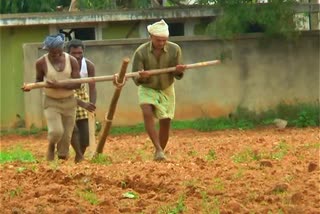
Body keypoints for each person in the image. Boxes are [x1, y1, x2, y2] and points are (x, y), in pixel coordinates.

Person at [131, 19, 186, 161]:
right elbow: (136, 78)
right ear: (150, 37)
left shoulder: (175, 49)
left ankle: (159, 153)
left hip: (167, 87)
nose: (161, 43)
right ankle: (158, 148)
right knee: (147, 112)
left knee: (165, 120)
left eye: (164, 40)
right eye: (158, 40)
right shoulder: (140, 52)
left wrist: (179, 70)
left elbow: (178, 75)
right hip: (147, 87)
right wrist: (142, 76)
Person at [22, 33, 81, 161]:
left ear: (62, 49)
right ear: (47, 50)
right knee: (56, 132)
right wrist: (30, 86)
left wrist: (58, 85)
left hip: (69, 102)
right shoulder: (41, 62)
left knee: (66, 136)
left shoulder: (72, 61)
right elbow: (38, 81)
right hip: (51, 102)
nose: (54, 55)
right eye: (51, 53)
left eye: (57, 53)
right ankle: (51, 146)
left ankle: (61, 160)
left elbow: (78, 83)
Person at [66, 39, 97, 163]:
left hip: (82, 93)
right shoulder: (62, 67)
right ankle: (79, 156)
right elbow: (63, 92)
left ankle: (80, 154)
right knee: (73, 128)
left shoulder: (88, 65)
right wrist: (82, 103)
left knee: (86, 133)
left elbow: (93, 87)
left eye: (80, 53)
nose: (77, 56)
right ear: (68, 53)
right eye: (74, 53)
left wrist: (92, 104)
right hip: (66, 94)